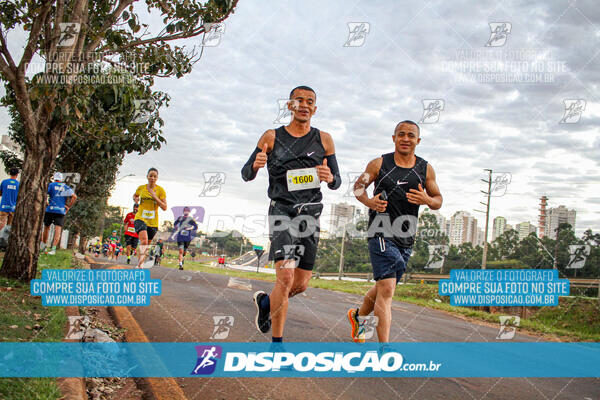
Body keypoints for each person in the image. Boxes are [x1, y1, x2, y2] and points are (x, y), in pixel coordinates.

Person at [242, 86, 341, 342]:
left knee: (300, 284)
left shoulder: (325, 139)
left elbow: (336, 181)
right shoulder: (272, 136)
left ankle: (265, 304)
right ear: (289, 105)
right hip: (282, 212)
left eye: (310, 102)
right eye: (299, 100)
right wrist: (255, 165)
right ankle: (277, 343)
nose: (304, 105)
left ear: (315, 109)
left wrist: (330, 178)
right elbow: (246, 174)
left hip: (310, 216)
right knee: (285, 278)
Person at [346, 120, 442, 348]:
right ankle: (384, 347)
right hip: (380, 231)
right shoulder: (380, 164)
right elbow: (358, 186)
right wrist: (369, 201)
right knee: (388, 289)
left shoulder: (425, 169)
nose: (406, 139)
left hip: (406, 237)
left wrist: (427, 200)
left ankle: (358, 316)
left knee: (382, 286)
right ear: (394, 138)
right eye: (401, 134)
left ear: (418, 140)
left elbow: (438, 200)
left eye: (411, 135)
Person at [133, 168, 167, 268]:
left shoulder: (160, 190)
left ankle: (141, 262)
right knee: (144, 240)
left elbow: (164, 207)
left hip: (153, 222)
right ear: (147, 176)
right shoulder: (141, 188)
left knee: (146, 245)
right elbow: (135, 195)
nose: (152, 178)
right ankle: (139, 266)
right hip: (140, 218)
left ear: (157, 178)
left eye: (154, 176)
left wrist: (154, 196)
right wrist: (135, 199)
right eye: (151, 175)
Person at [42, 172, 77, 255]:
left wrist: (46, 202)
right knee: (58, 230)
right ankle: (53, 249)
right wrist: (68, 206)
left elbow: (44, 193)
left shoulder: (51, 185)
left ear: (54, 178)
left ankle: (43, 247)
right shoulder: (65, 187)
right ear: (61, 179)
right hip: (60, 211)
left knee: (46, 228)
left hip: (50, 210)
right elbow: (74, 196)